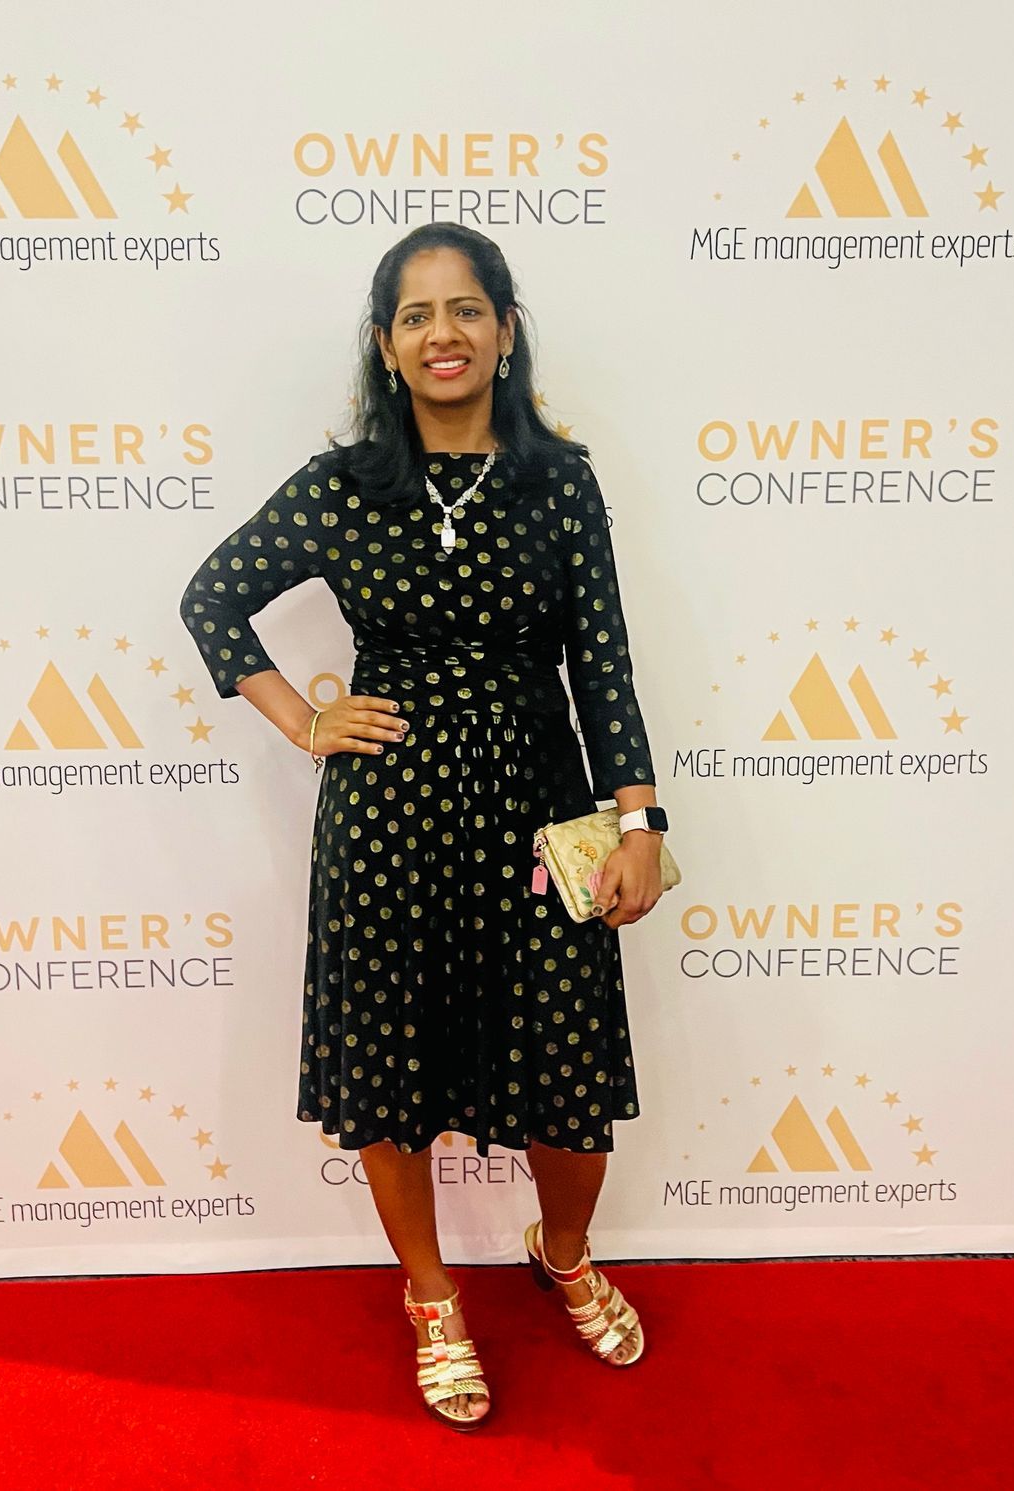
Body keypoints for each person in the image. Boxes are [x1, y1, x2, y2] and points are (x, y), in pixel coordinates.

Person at [179, 222, 667, 1429]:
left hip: (541, 806)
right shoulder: (344, 487)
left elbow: (601, 664)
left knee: (567, 1066)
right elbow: (212, 599)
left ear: (504, 331)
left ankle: (563, 1253)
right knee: (393, 1068)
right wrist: (304, 722)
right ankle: (434, 1294)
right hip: (389, 814)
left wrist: (641, 816)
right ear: (387, 346)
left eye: (465, 311)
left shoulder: (561, 480)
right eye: (414, 316)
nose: (441, 334)